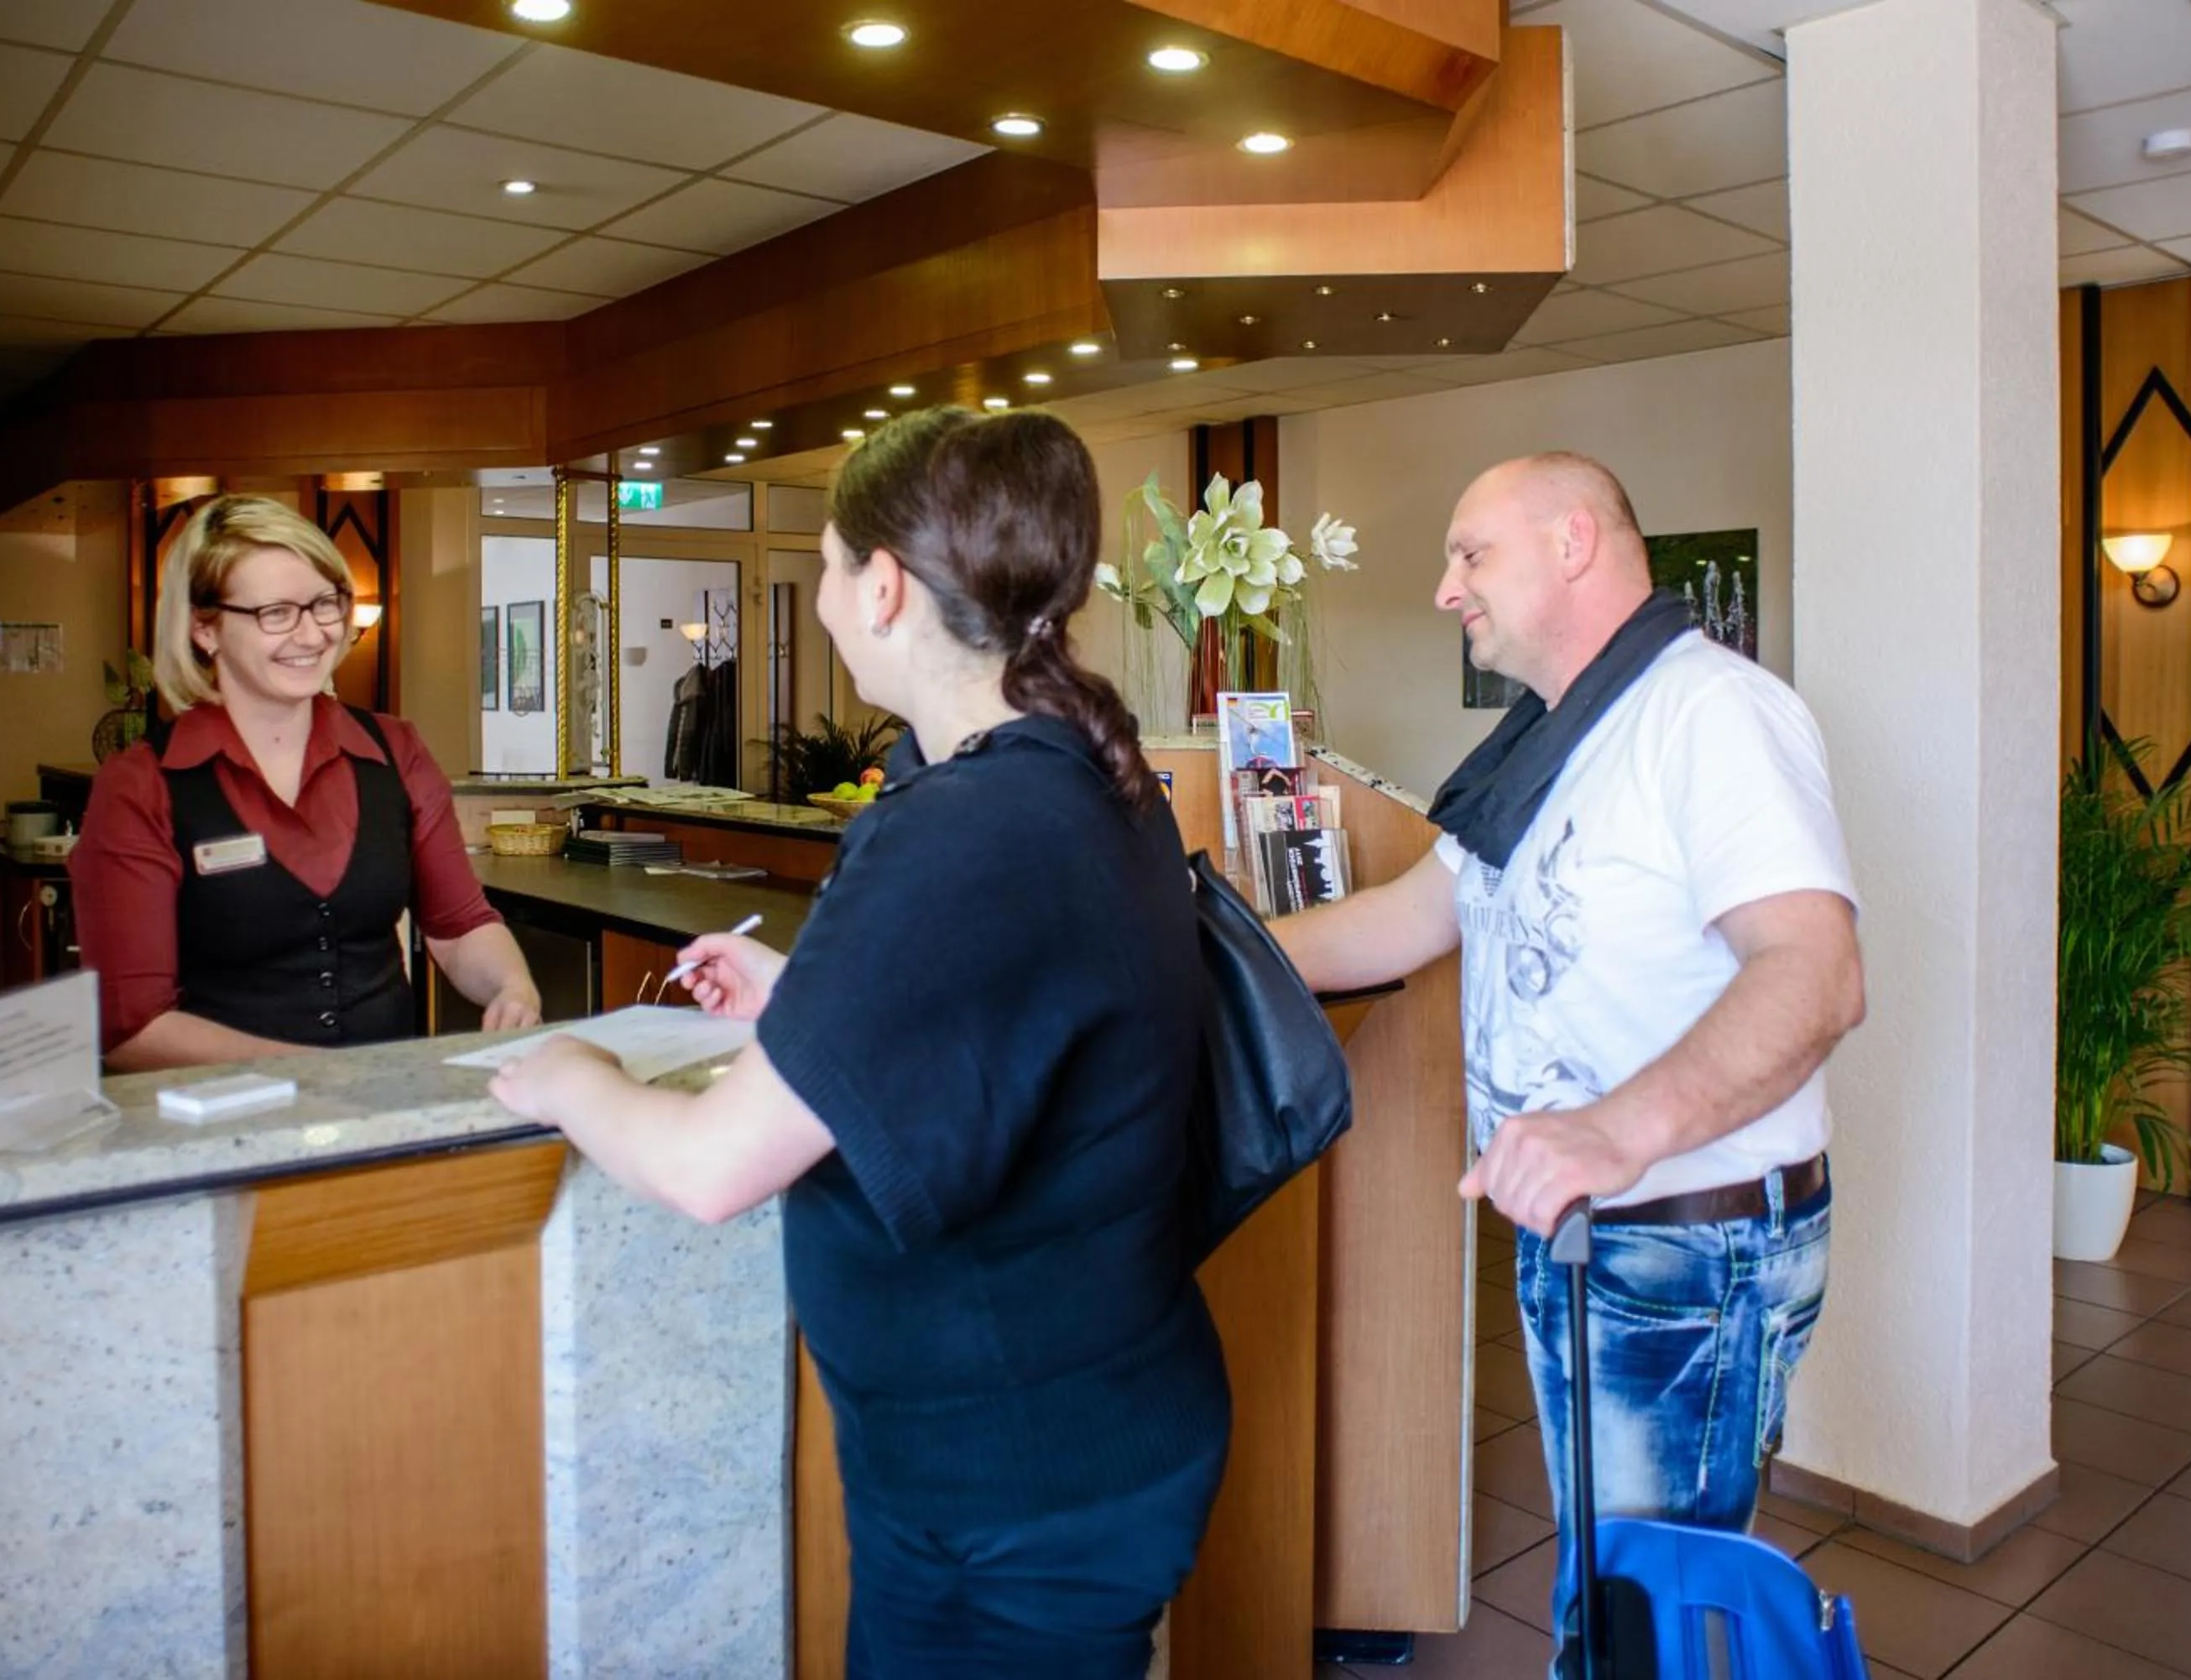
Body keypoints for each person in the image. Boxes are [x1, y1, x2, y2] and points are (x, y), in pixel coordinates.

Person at [487, 408, 1231, 1679]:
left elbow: (713, 1165)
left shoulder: (968, 824)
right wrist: (811, 1001)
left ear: (882, 586)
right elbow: (1009, 1018)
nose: (824, 600)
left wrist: (571, 1073)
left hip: (1016, 1485)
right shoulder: (1073, 775)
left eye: (828, 568)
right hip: (1061, 1439)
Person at [1268, 452, 1864, 1661]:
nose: (1446, 590)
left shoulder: (1713, 715)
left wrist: (1612, 1130)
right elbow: (1411, 916)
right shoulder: (1555, 733)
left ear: (1575, 541)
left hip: (1685, 1243)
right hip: (1591, 1233)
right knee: (1607, 1606)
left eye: (1469, 553)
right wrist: (1211, 948)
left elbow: (1817, 972)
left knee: (1643, 1632)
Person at [71, 494, 540, 1072]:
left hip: (389, 1108)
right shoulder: (142, 786)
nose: (313, 634)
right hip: (223, 1125)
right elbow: (132, 1027)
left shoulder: (395, 752)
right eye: (275, 613)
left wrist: (512, 987)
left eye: (325, 604)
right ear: (205, 629)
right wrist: (323, 1076)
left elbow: (459, 925)